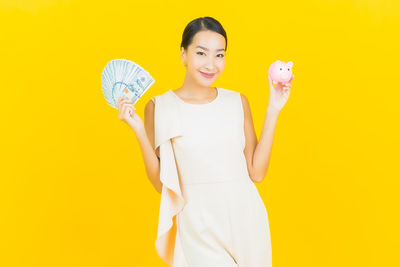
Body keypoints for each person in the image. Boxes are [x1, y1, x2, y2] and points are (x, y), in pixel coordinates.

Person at [117, 16, 293, 267]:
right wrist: (139, 132)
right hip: (198, 226)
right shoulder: (159, 107)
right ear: (183, 54)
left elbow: (257, 172)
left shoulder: (237, 101)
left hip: (246, 220)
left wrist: (273, 109)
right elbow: (161, 183)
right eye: (201, 53)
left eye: (219, 55)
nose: (211, 64)